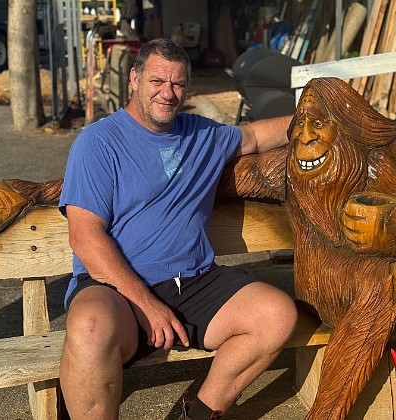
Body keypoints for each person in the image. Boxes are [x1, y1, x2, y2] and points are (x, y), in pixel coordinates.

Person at [58, 38, 297, 420]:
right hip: (116, 287)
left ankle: (198, 414)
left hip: (194, 282)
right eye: (157, 81)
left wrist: (318, 116)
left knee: (276, 314)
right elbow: (84, 236)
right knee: (89, 327)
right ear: (135, 79)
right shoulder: (98, 143)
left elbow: (252, 136)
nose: (167, 94)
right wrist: (145, 303)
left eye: (178, 84)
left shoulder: (202, 135)